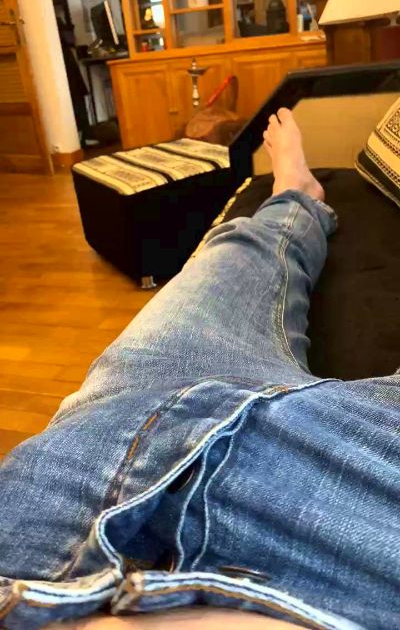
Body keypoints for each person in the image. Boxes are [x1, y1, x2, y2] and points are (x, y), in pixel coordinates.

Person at [1, 110, 399, 630]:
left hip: (108, 435)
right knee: (242, 252)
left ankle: (294, 198)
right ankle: (295, 197)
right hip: (369, 471)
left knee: (237, 250)